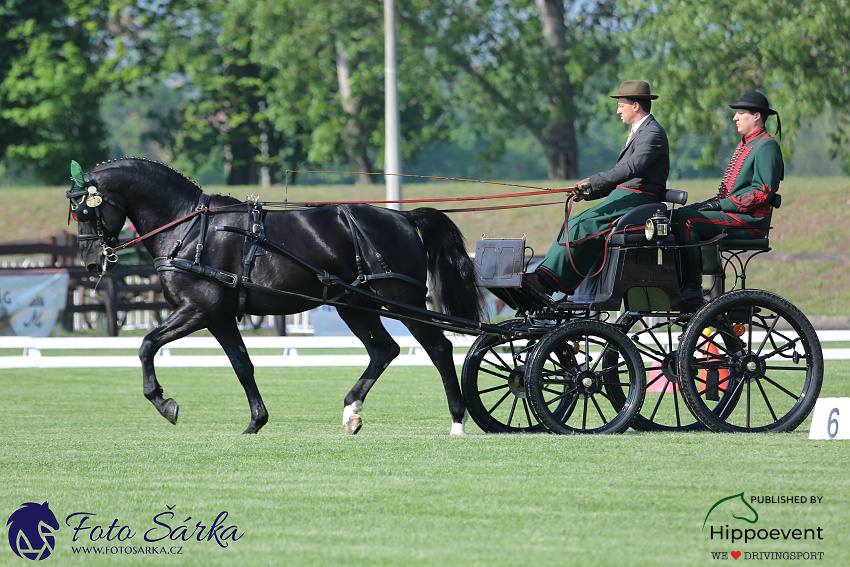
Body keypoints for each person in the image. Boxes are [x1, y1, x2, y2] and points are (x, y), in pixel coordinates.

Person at [525, 80, 670, 295]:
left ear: (636, 106)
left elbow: (630, 169)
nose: (617, 110)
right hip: (626, 195)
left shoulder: (652, 133)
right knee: (574, 222)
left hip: (640, 199)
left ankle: (547, 282)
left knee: (582, 226)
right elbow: (622, 175)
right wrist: (587, 191)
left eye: (621, 105)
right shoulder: (639, 132)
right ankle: (545, 276)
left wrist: (591, 182)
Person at [673, 91, 783, 302]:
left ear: (756, 116)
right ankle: (681, 284)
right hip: (735, 214)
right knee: (680, 215)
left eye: (740, 113)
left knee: (687, 221)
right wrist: (708, 204)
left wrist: (720, 205)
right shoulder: (747, 144)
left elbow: (762, 192)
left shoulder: (766, 145)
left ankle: (692, 288)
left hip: (750, 221)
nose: (735, 118)